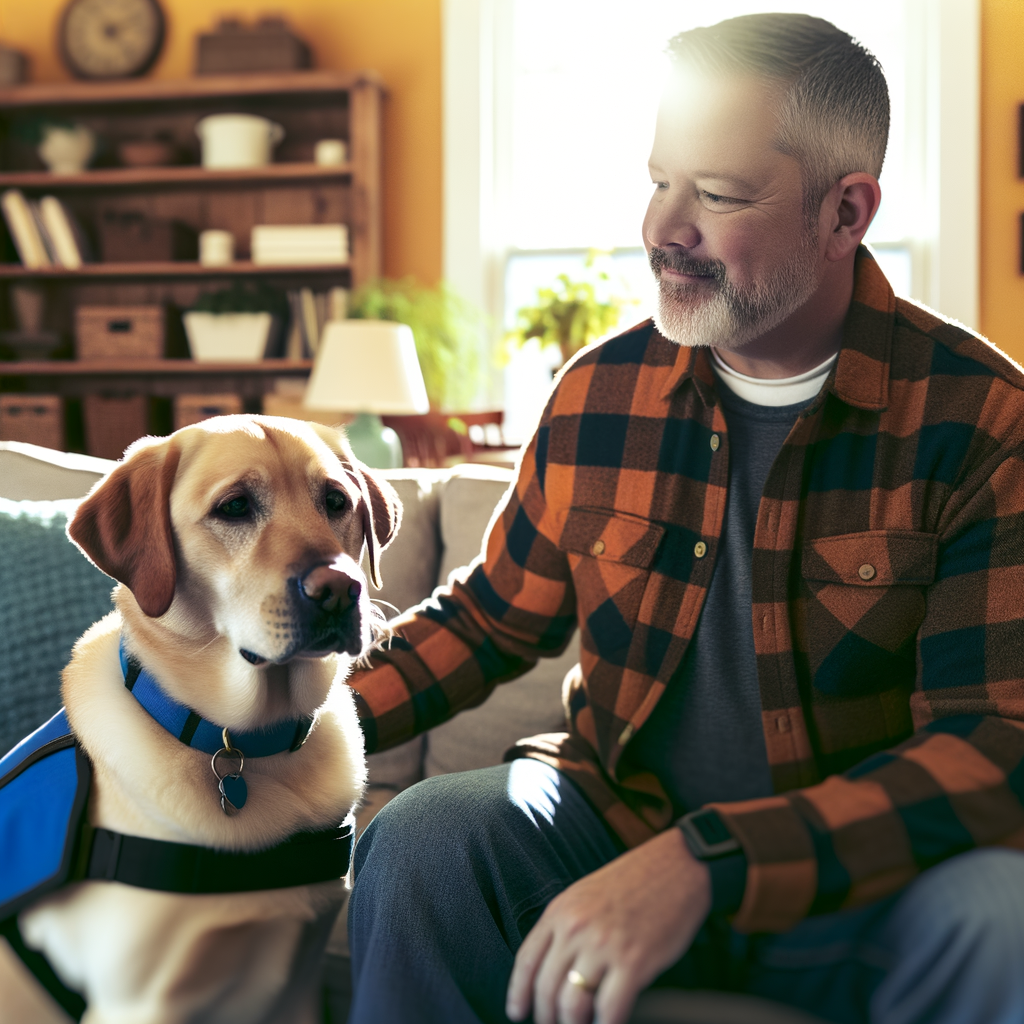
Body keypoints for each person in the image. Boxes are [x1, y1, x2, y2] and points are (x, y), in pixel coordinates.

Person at [344, 13, 1024, 1024]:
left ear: (846, 213)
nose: (664, 224)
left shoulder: (983, 421)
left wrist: (710, 862)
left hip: (865, 884)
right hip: (609, 822)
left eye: (716, 193)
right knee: (425, 833)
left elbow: (990, 743)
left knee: (1003, 913)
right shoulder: (594, 394)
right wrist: (289, 725)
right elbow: (493, 621)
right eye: (661, 179)